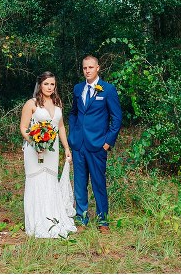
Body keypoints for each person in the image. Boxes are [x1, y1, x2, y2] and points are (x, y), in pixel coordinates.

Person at [20, 71, 76, 238]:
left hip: (52, 150)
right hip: (34, 150)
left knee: (50, 180)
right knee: (36, 180)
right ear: (40, 85)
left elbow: (61, 127)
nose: (49, 87)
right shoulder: (31, 104)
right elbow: (23, 128)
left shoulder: (57, 103)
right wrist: (34, 143)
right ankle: (37, 220)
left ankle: (52, 218)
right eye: (46, 84)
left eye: (52, 84)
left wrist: (66, 147)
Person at [69, 55, 122, 232]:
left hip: (98, 144)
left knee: (98, 183)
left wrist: (107, 142)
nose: (88, 71)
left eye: (91, 67)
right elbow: (74, 113)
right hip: (79, 145)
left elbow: (116, 118)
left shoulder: (108, 89)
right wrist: (72, 135)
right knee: (79, 183)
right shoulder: (78, 89)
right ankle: (81, 218)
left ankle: (103, 221)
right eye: (85, 68)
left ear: (98, 68)